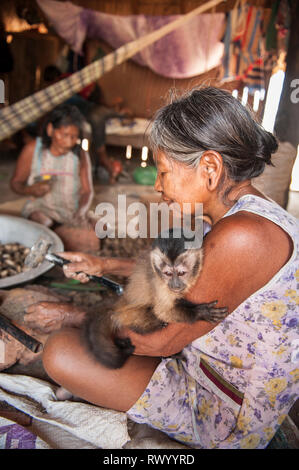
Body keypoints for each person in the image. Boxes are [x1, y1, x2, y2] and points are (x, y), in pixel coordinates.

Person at [27, 87, 298, 449]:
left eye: (164, 171)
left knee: (61, 351)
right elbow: (180, 275)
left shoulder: (244, 236)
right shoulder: (234, 215)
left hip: (225, 406)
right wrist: (102, 263)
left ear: (210, 168)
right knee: (78, 347)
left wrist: (74, 316)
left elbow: (161, 341)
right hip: (202, 365)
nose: (158, 185)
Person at [11, 104, 93, 227]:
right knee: (45, 224)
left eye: (73, 137)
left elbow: (87, 191)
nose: (69, 142)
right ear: (50, 130)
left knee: (101, 229)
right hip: (40, 210)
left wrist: (81, 212)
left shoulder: (80, 154)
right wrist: (29, 189)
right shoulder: (33, 149)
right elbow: (16, 183)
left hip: (71, 212)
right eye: (64, 135)